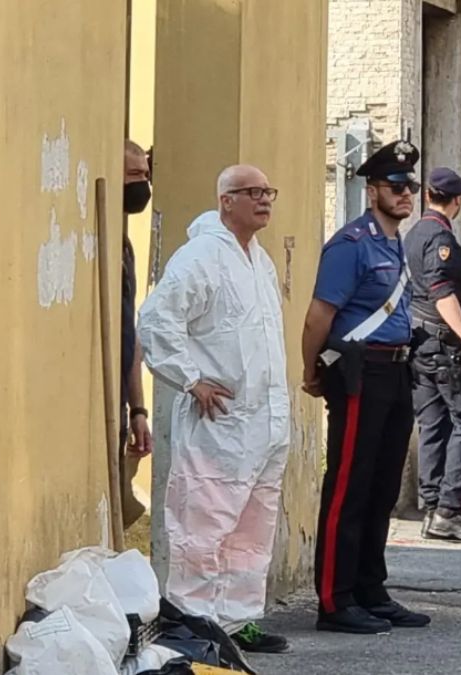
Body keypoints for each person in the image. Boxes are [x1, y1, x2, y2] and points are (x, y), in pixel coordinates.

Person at [138, 164, 291, 653]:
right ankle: (194, 624)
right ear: (226, 200)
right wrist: (190, 379)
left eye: (268, 192)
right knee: (201, 527)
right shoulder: (201, 256)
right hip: (219, 424)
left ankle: (238, 619)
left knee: (252, 528)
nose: (264, 200)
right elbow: (158, 319)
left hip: (263, 422)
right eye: (252, 192)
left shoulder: (259, 260)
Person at [302, 140, 431, 635]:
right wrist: (312, 371)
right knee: (349, 486)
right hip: (359, 373)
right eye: (396, 186)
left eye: (411, 187)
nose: (406, 194)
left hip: (396, 370)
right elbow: (319, 316)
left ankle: (370, 588)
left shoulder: (394, 242)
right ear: (372, 189)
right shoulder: (351, 244)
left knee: (382, 487)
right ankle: (334, 599)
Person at [404, 167, 461, 542]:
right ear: (457, 201)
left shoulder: (413, 234)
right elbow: (443, 294)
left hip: (420, 344)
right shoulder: (440, 238)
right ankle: (449, 509)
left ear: (427, 196)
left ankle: (430, 508)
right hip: (442, 345)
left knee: (433, 424)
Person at [120, 140, 154, 529]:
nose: (142, 185)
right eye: (133, 175)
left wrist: (139, 410)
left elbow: (132, 335)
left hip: (121, 407)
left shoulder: (125, 248)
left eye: (146, 175)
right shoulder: (107, 242)